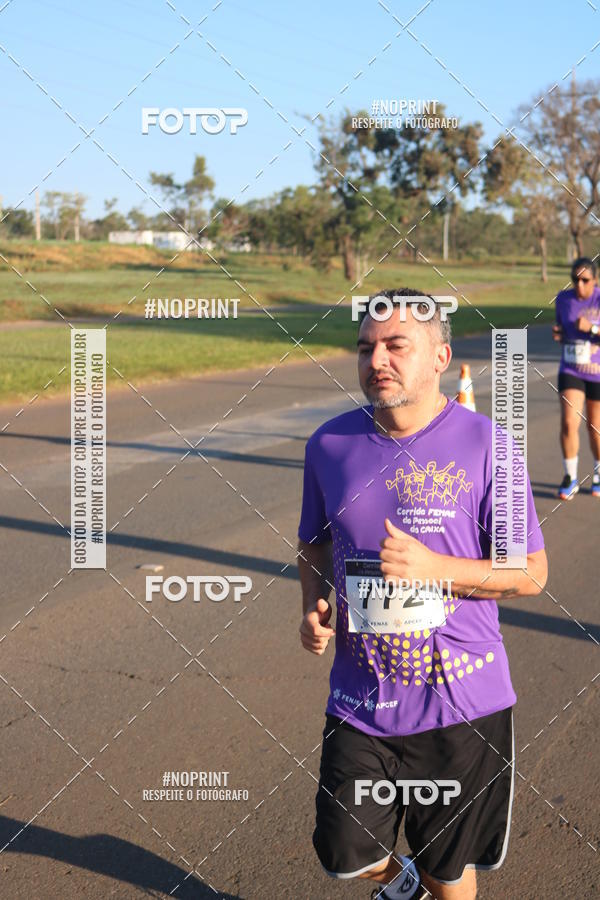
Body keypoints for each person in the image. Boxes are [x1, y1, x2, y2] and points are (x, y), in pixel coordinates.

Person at [297, 289, 548, 900]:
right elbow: (313, 543)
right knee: (345, 851)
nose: (376, 359)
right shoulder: (329, 445)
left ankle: (427, 878)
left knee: (449, 872)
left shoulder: (488, 445)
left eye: (395, 345)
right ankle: (398, 879)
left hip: (462, 704)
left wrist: (435, 568)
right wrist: (314, 604)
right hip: (361, 698)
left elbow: (532, 572)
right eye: (365, 348)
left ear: (440, 355)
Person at [552, 257, 600, 499]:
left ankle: (599, 471)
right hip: (571, 369)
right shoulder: (563, 299)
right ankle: (570, 477)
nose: (579, 285)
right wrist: (558, 333)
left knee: (595, 427)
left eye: (585, 280)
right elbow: (561, 327)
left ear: (595, 280)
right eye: (575, 280)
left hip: (598, 372)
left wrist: (592, 328)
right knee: (570, 422)